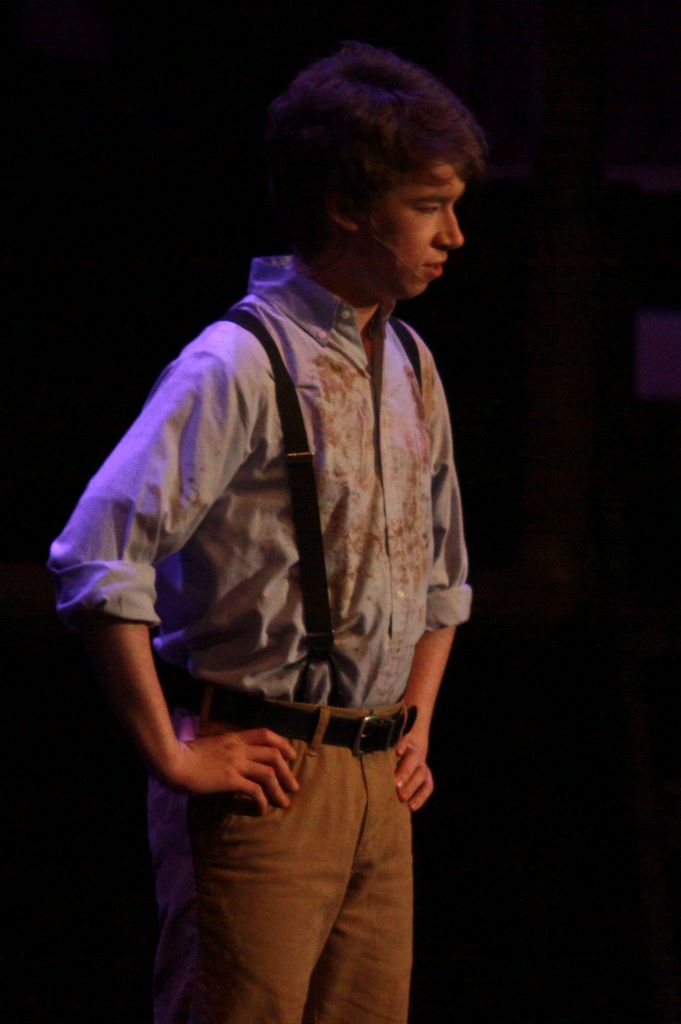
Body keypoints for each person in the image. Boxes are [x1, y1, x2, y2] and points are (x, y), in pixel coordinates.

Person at [49, 41, 486, 1024]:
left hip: (380, 785)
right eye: (428, 204)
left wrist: (414, 720)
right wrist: (173, 756)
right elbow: (95, 556)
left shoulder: (410, 362)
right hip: (266, 782)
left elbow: (443, 578)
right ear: (346, 205)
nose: (454, 234)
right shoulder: (237, 363)